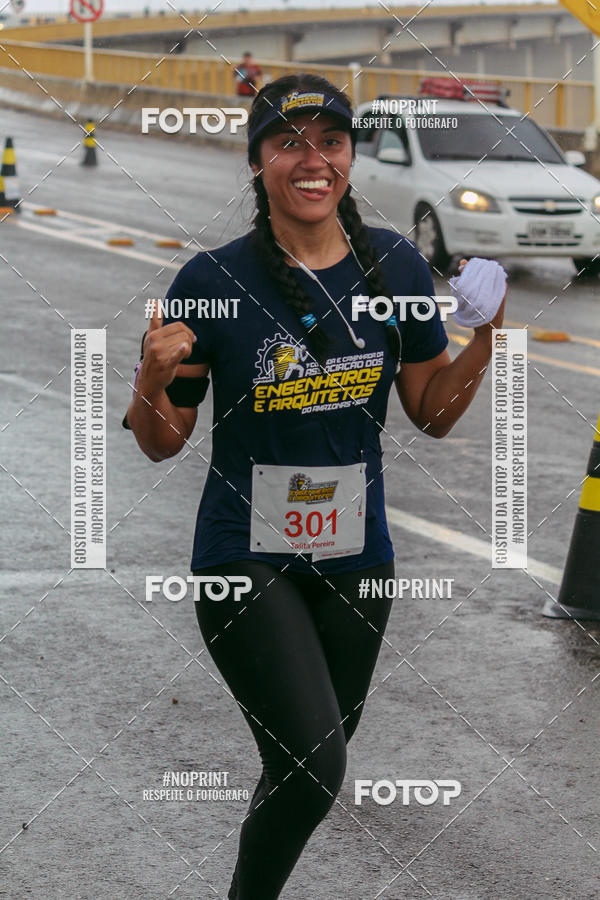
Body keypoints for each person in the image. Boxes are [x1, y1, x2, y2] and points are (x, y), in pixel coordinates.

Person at [124, 73, 507, 899]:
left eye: (330, 142)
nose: (312, 160)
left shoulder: (397, 268)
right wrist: (148, 382)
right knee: (315, 766)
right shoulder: (214, 281)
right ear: (258, 161)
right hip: (243, 558)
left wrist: (486, 341)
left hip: (357, 565)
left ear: (349, 157)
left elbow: (433, 415)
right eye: (288, 143)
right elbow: (162, 443)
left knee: (297, 773)